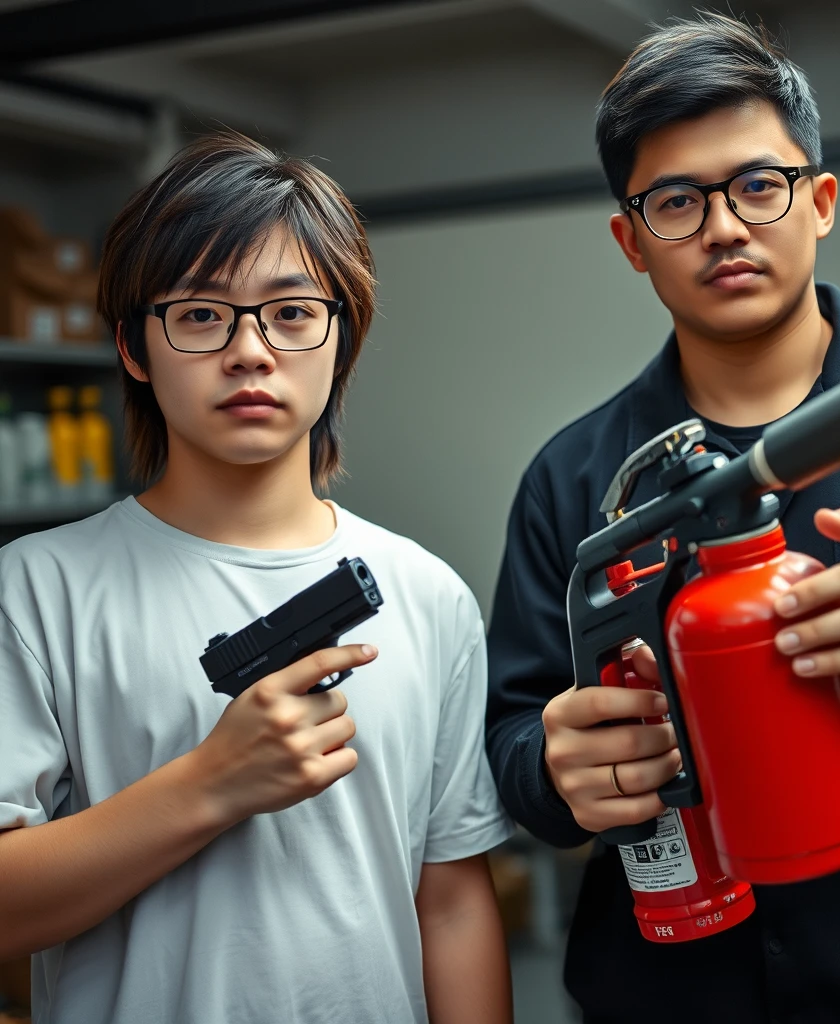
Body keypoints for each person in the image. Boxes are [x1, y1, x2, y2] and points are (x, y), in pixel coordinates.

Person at [486, 13, 840, 1024]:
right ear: (630, 241)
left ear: (817, 202)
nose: (725, 226)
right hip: (671, 996)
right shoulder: (574, 478)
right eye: (676, 202)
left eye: (757, 186)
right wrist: (558, 769)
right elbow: (514, 745)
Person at [0, 132, 515, 1024]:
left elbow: (453, 902)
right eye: (200, 314)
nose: (250, 352)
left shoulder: (429, 595)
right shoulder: (35, 590)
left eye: (290, 312)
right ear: (133, 347)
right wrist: (212, 784)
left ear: (339, 337)